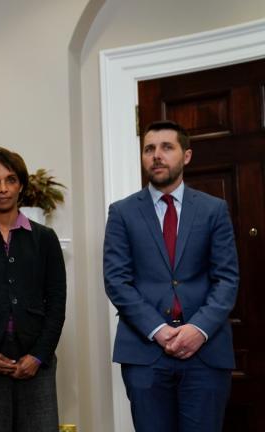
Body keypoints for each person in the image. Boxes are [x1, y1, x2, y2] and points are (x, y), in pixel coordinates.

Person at [103, 120, 239, 432]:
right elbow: (116, 280)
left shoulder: (213, 210)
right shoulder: (122, 212)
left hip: (206, 352)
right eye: (149, 149)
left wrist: (198, 329)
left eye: (167, 147)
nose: (156, 155)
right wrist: (159, 330)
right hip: (145, 351)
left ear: (186, 156)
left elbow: (227, 279)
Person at [0, 147, 66, 432]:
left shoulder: (45, 239)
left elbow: (57, 303)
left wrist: (39, 355)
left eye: (10, 180)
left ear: (20, 184)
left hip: (35, 362)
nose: (3, 188)